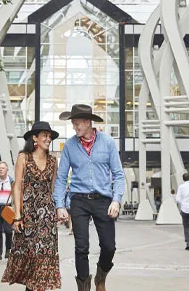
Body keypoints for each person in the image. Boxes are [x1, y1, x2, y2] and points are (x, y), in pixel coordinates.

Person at [53, 104, 126, 291]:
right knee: (81, 247)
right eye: (73, 124)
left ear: (88, 122)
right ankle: (83, 288)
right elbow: (61, 178)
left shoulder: (107, 142)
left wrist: (116, 200)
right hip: (79, 200)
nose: (74, 127)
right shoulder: (70, 145)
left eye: (77, 124)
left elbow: (118, 174)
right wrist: (60, 205)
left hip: (103, 200)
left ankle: (100, 277)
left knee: (109, 247)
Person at [2, 122, 63, 290]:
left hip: (47, 217)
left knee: (43, 259)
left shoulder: (52, 161)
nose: (48, 139)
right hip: (28, 215)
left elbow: (53, 188)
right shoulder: (24, 157)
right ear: (35, 138)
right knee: (32, 258)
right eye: (45, 135)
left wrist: (58, 209)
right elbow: (18, 188)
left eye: (50, 136)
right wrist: (17, 215)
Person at [0, 160, 16, 261]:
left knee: (9, 231)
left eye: (3, 168)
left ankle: (8, 250)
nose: (1, 170)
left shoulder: (11, 182)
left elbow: (16, 196)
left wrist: (16, 209)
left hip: (8, 208)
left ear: (7, 170)